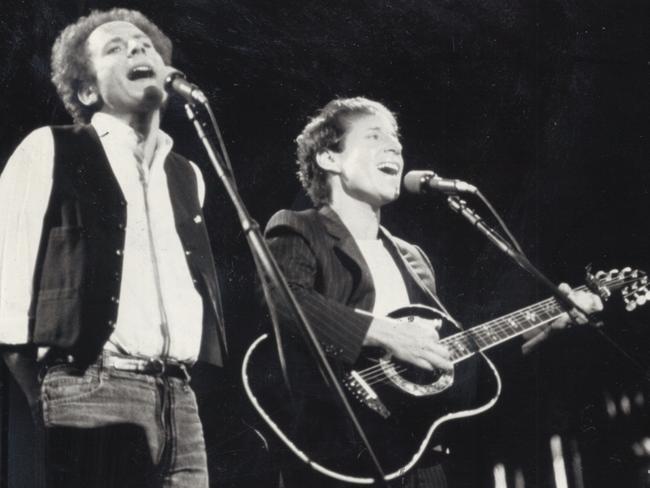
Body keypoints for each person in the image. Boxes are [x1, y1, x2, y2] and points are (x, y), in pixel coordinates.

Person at [263, 97, 603, 487]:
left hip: (420, 460)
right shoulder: (298, 227)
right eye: (374, 136)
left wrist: (544, 326)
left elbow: (454, 360)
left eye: (397, 141)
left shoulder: (412, 258)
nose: (395, 148)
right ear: (329, 158)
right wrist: (386, 333)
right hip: (339, 449)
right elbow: (286, 301)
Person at [0, 8, 227, 488]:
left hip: (180, 401)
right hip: (91, 387)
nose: (138, 48)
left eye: (144, 45)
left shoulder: (188, 175)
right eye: (116, 48)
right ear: (87, 90)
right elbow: (8, 278)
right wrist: (40, 391)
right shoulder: (51, 148)